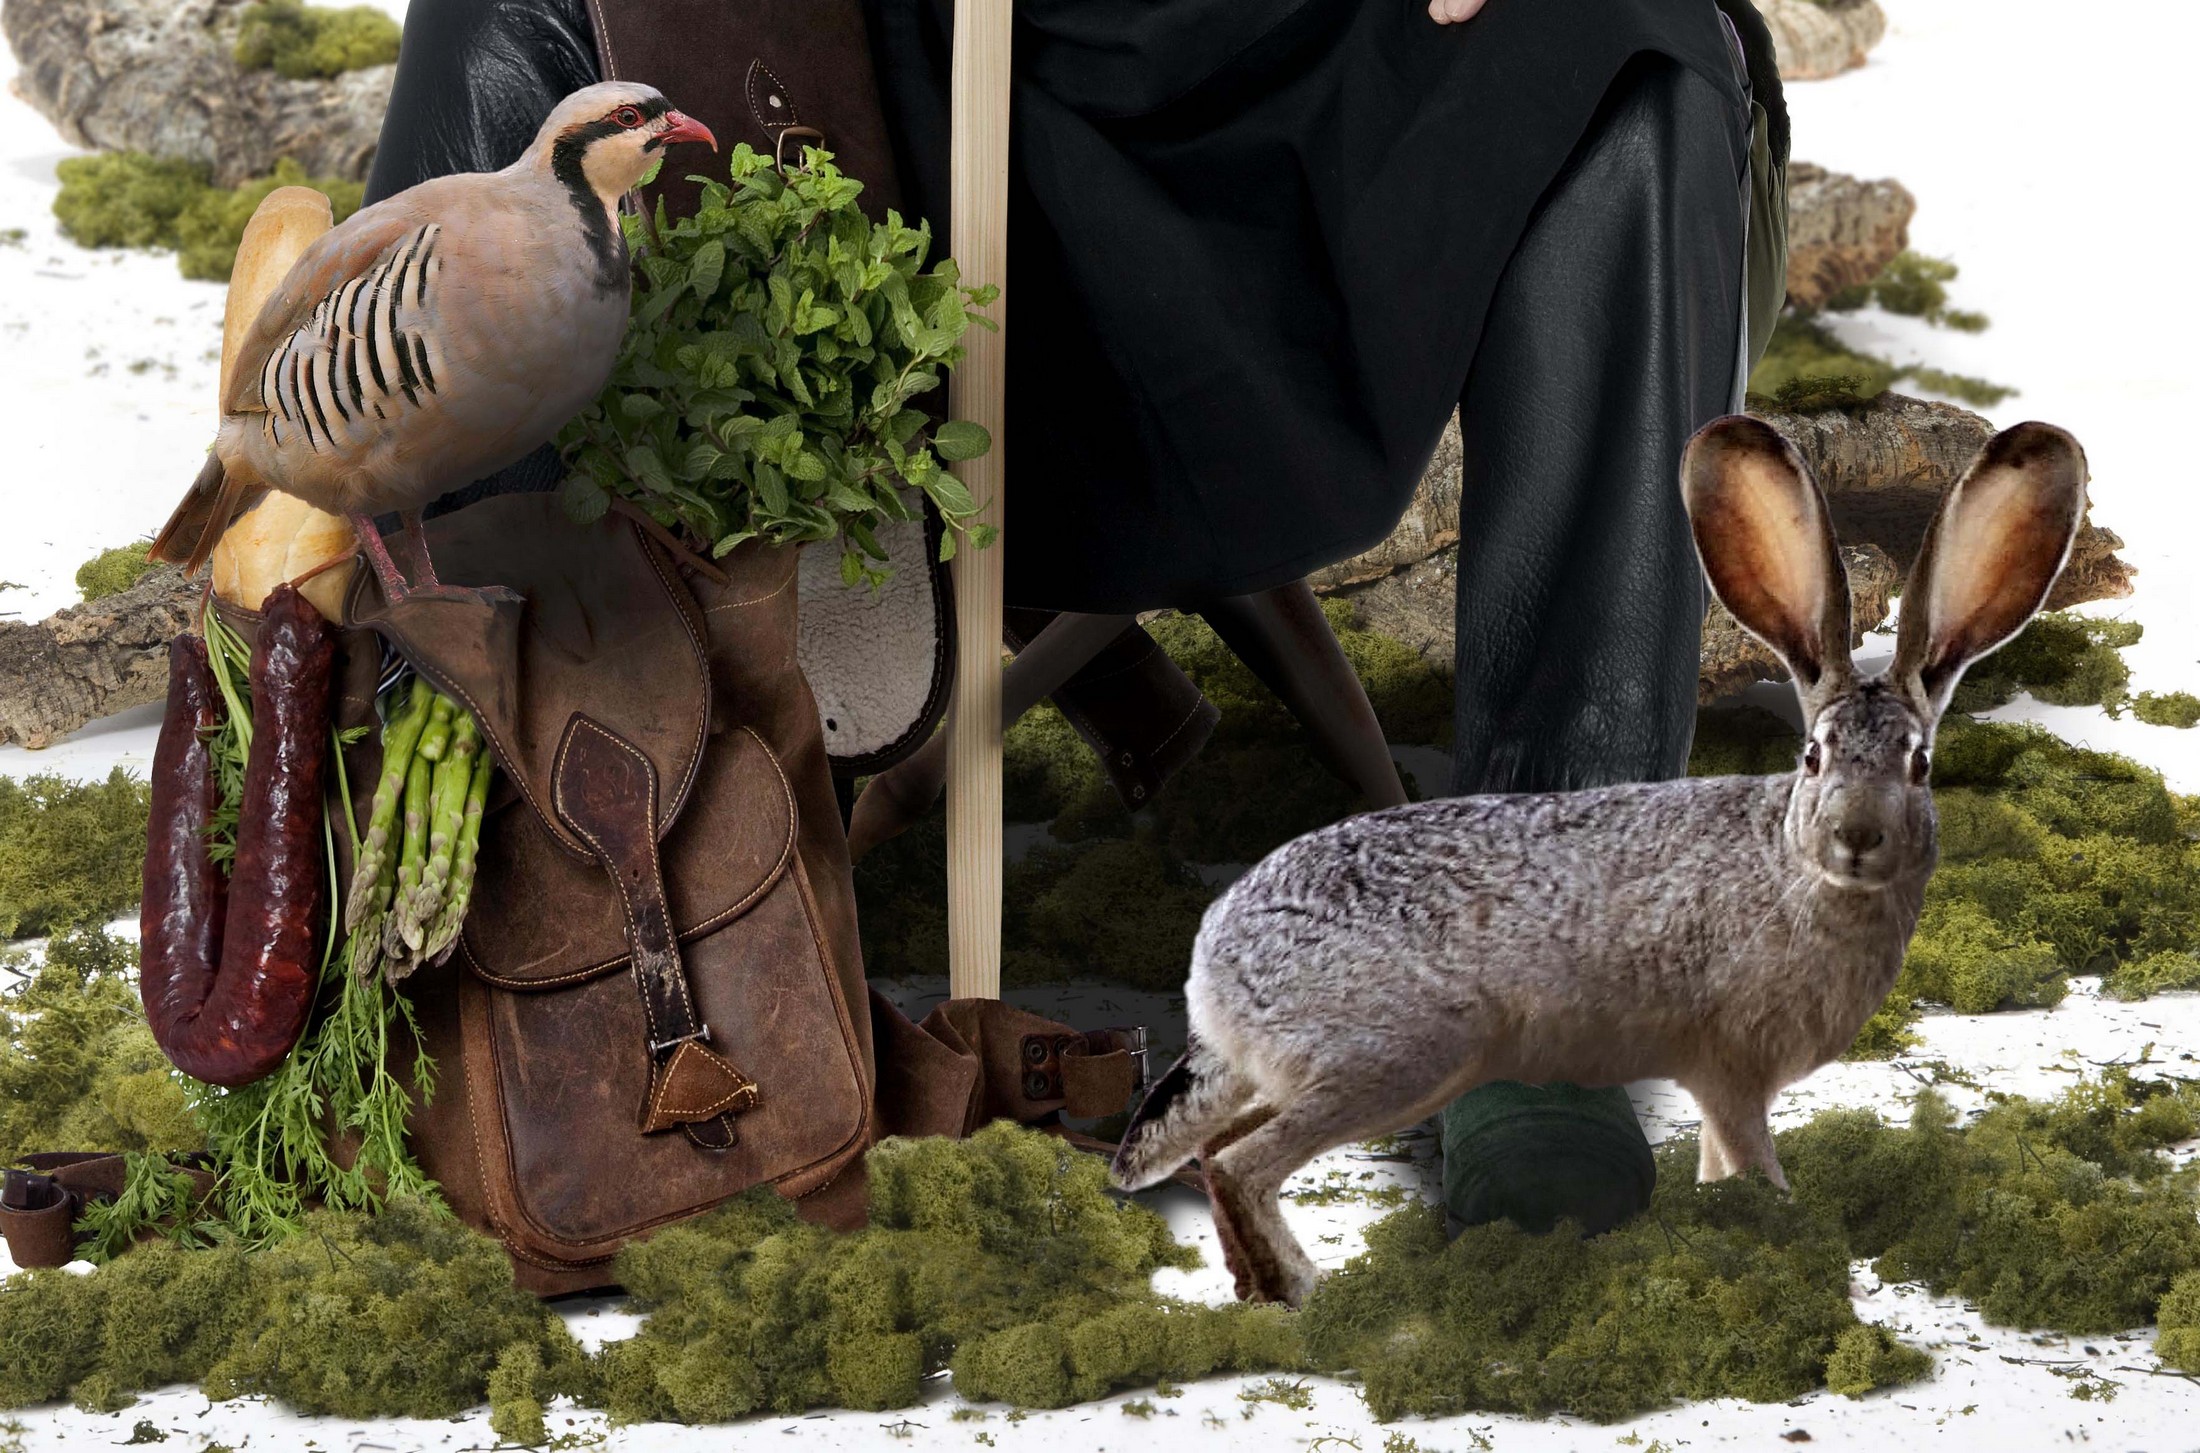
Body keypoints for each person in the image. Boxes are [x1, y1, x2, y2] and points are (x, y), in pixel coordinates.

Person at [364, 0, 1788, 1239]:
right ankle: (487, 861)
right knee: (515, 14)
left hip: (1313, 108)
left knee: (1633, 44)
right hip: (909, 110)